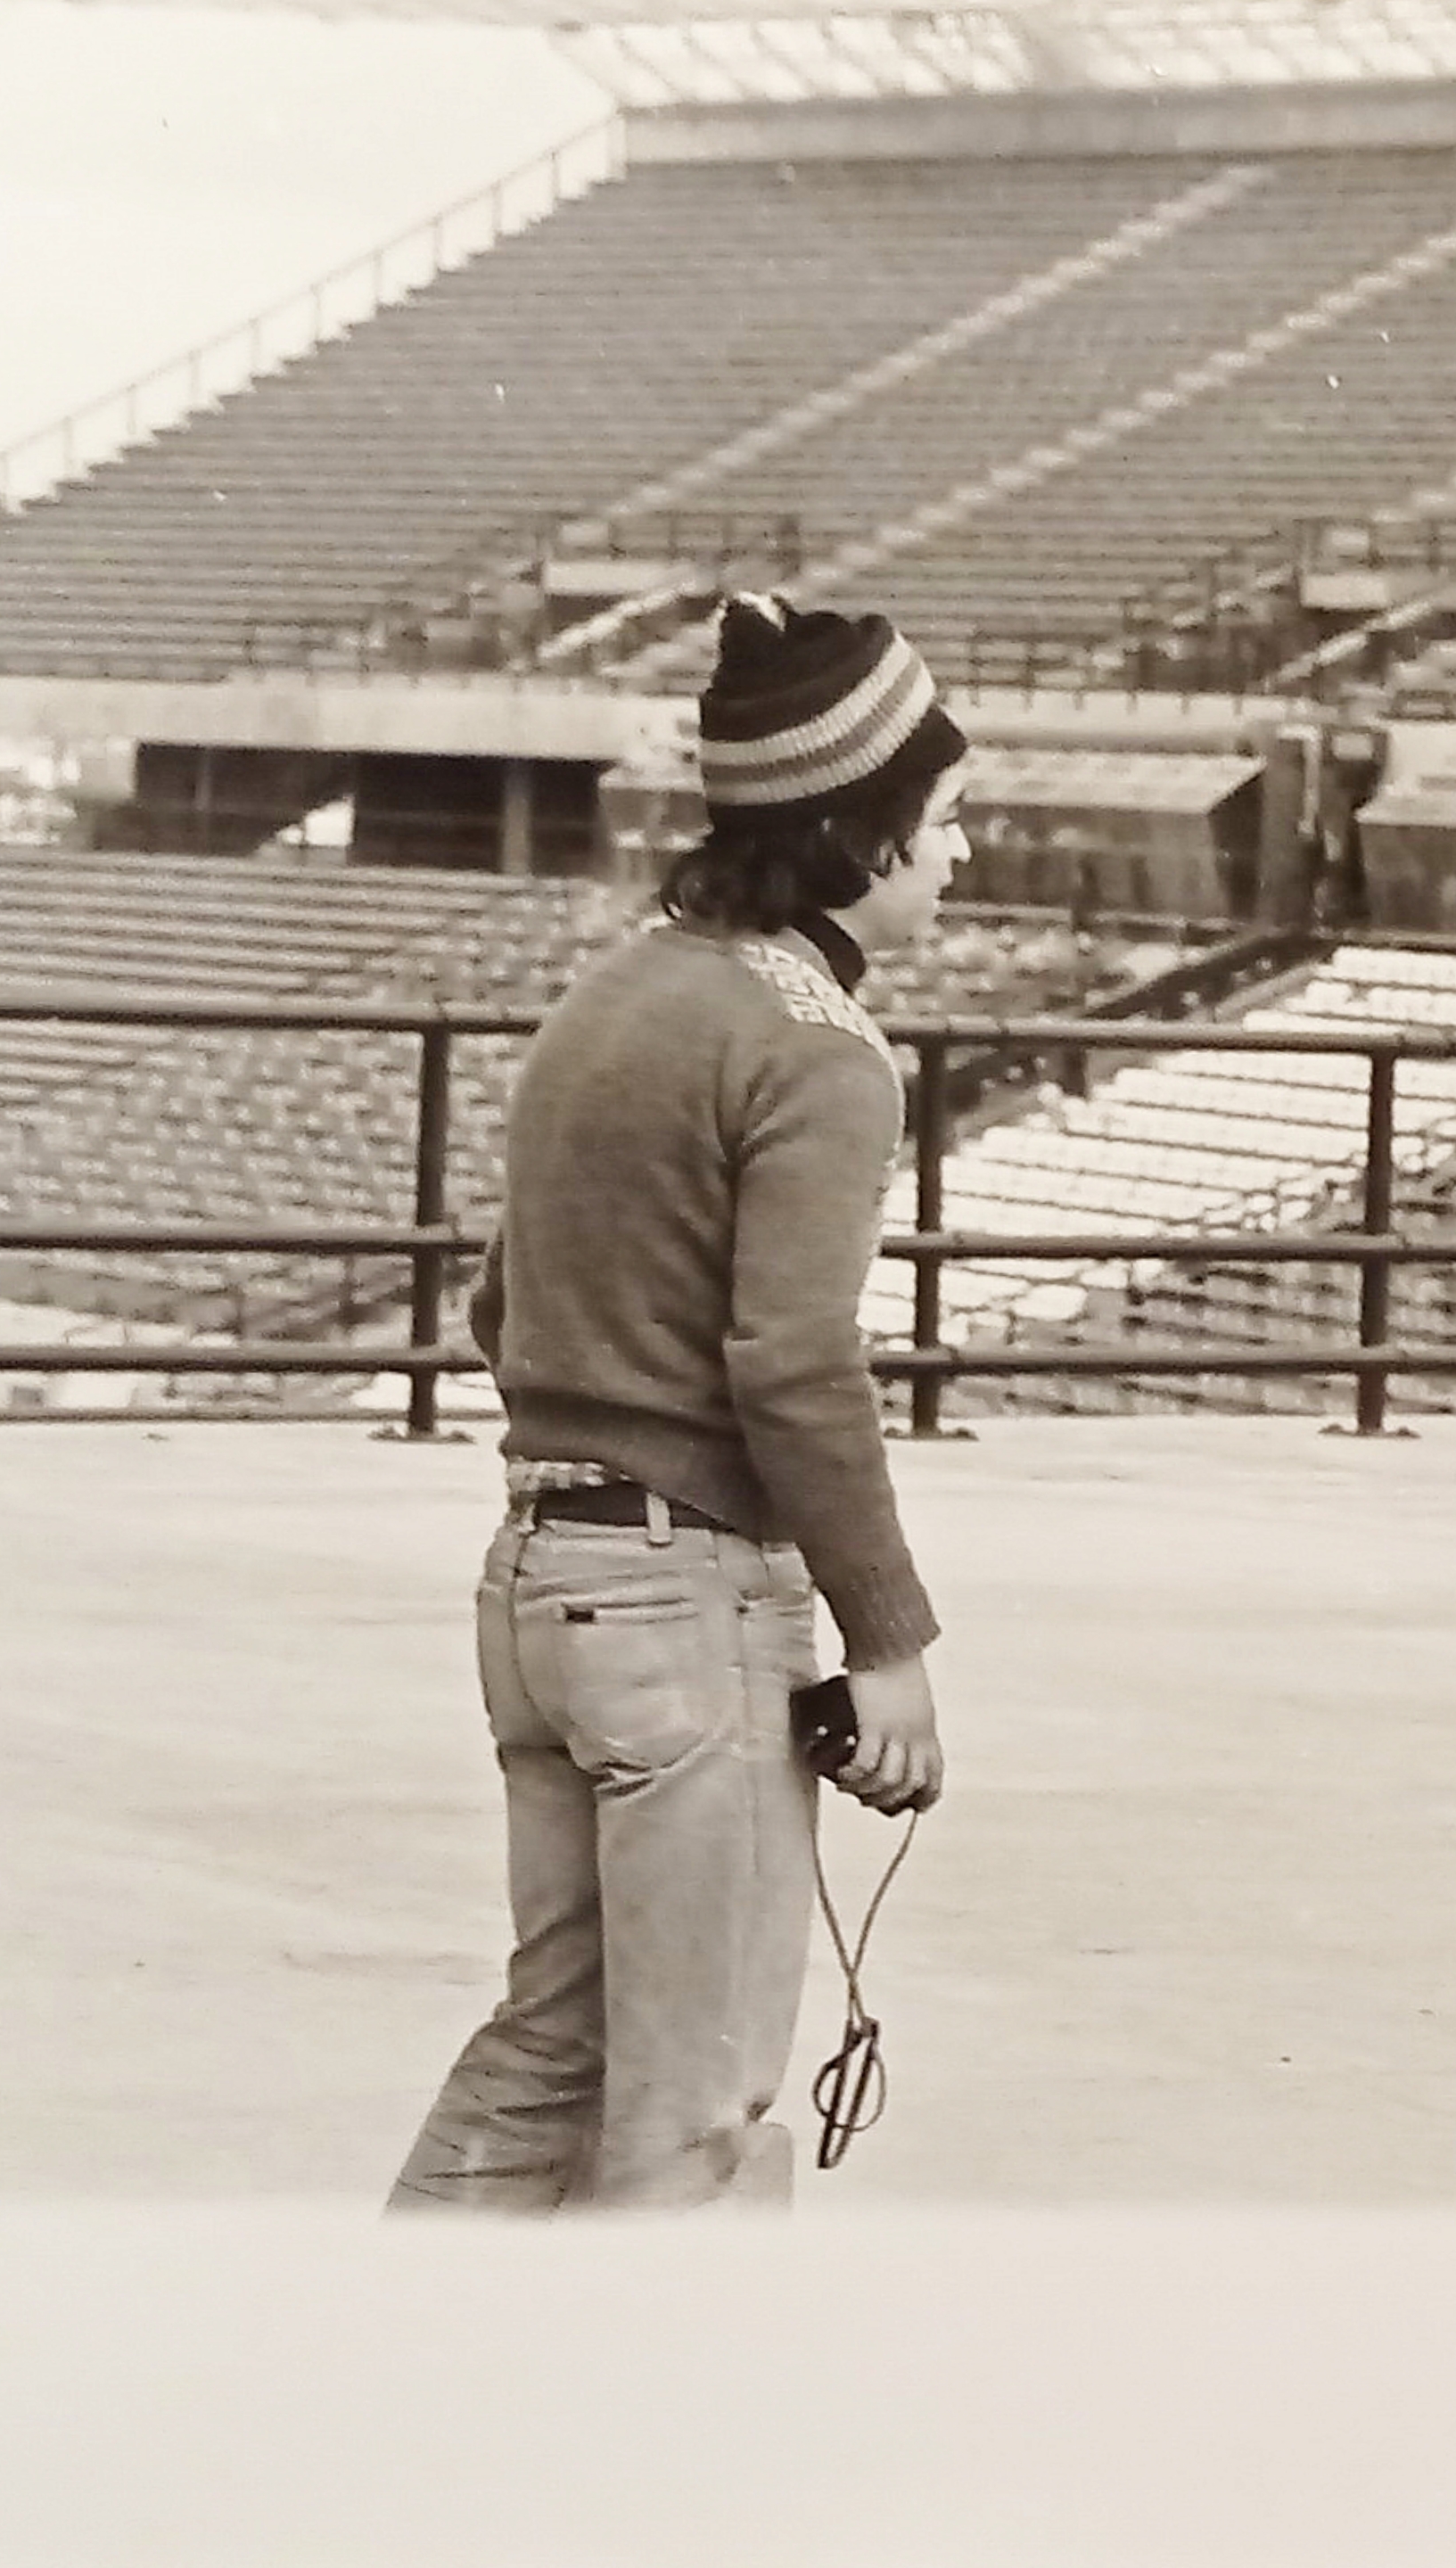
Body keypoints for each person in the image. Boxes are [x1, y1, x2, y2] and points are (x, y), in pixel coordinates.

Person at [388, 595, 964, 2213]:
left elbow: (502, 1301)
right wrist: (894, 1643)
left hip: (535, 1587)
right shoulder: (823, 1049)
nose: (961, 857)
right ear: (858, 838)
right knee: (695, 2105)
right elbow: (794, 1361)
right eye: (947, 822)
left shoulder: (619, 993)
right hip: (684, 1608)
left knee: (548, 2048)